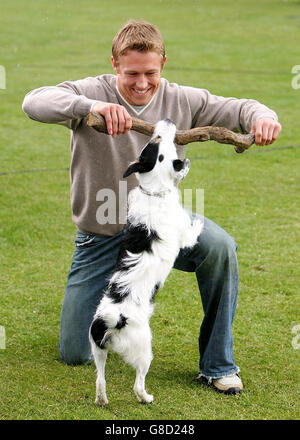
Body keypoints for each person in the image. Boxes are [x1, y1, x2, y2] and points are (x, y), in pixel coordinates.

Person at [22, 20, 281, 395]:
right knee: (75, 352)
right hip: (101, 237)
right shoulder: (90, 92)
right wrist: (92, 106)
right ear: (114, 64)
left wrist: (263, 118)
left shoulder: (183, 98)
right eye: (131, 74)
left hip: (160, 228)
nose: (142, 83)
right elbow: (33, 101)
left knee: (221, 247)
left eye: (150, 73)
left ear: (163, 64)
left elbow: (242, 107)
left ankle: (218, 365)